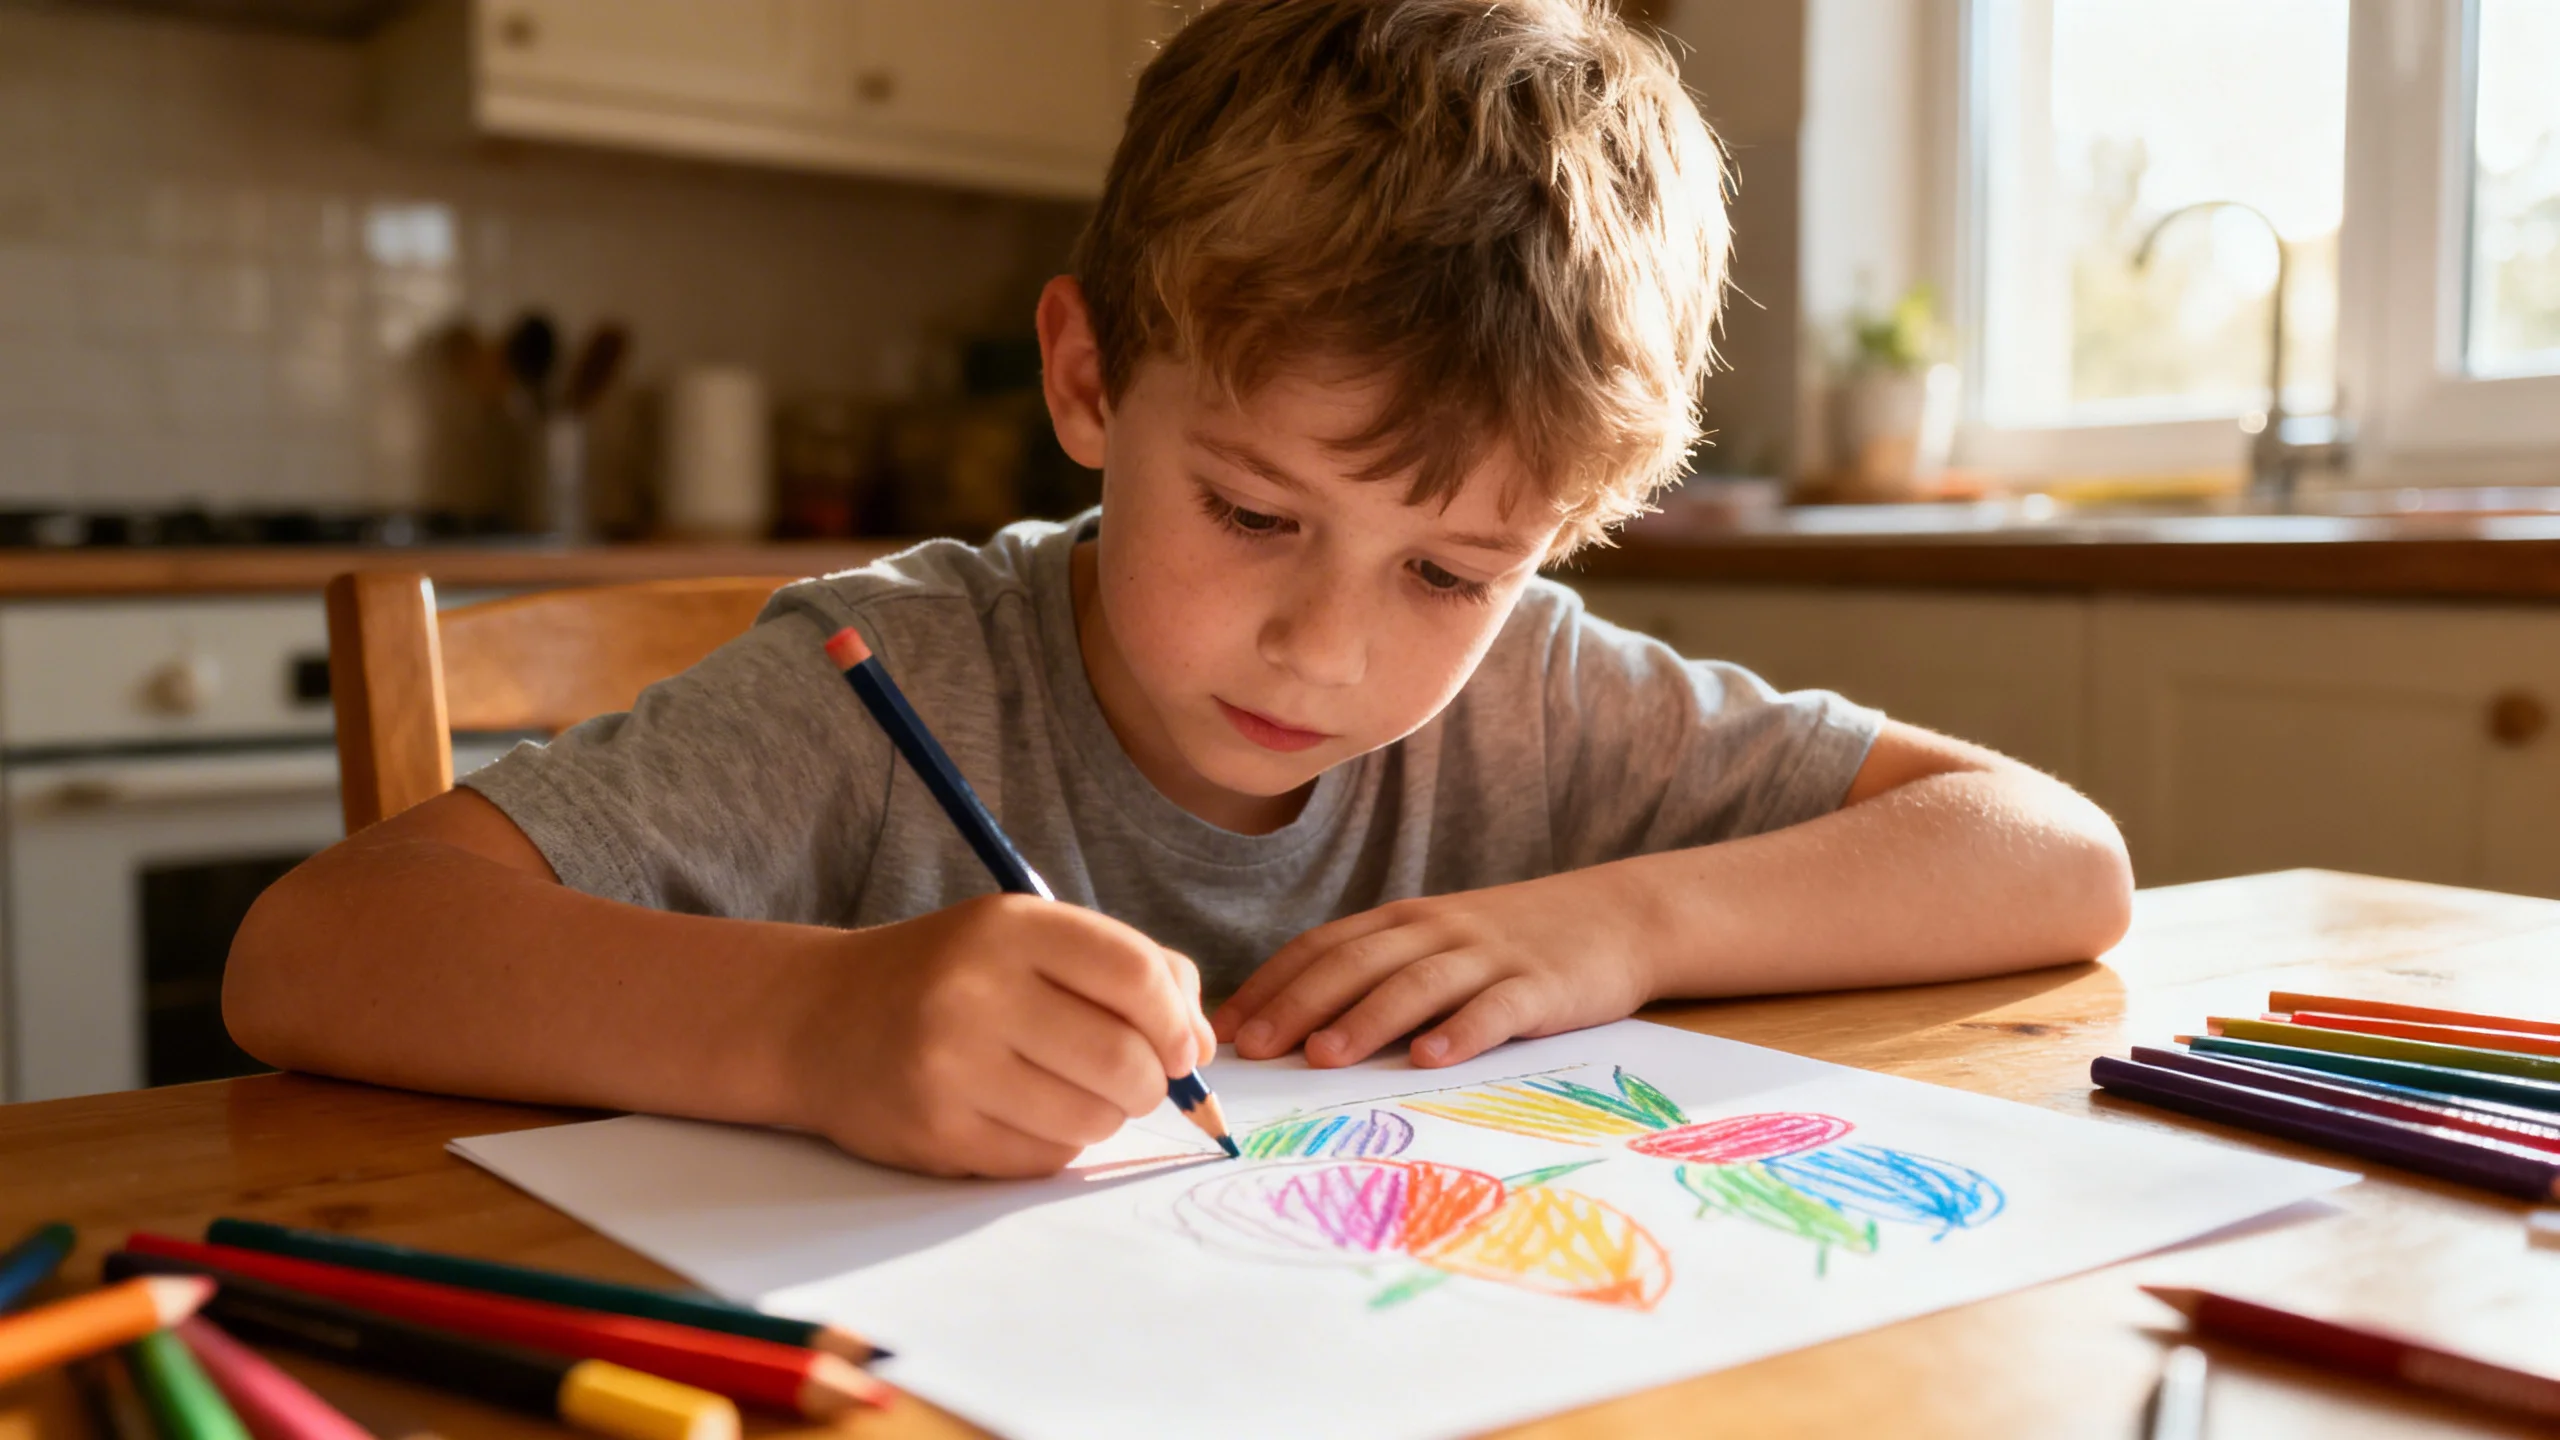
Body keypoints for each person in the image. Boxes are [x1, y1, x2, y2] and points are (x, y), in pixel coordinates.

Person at [225, 0, 2131, 1179]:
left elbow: (2050, 852)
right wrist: (812, 1028)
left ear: (1553, 539)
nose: (1330, 644)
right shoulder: (888, 682)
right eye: (1249, 512)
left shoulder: (1542, 695)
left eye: (1452, 567)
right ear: (1085, 382)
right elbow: (313, 950)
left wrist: (1616, 928)